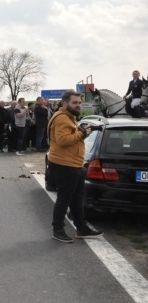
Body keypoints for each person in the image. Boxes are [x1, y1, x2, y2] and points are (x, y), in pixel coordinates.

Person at [48, 90, 103, 243]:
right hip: (64, 164)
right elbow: (63, 140)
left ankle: (81, 228)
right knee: (64, 199)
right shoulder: (62, 119)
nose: (78, 105)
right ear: (65, 103)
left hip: (74, 164)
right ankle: (57, 229)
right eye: (75, 103)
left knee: (77, 199)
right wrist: (82, 133)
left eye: (79, 103)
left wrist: (81, 132)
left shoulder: (69, 117)